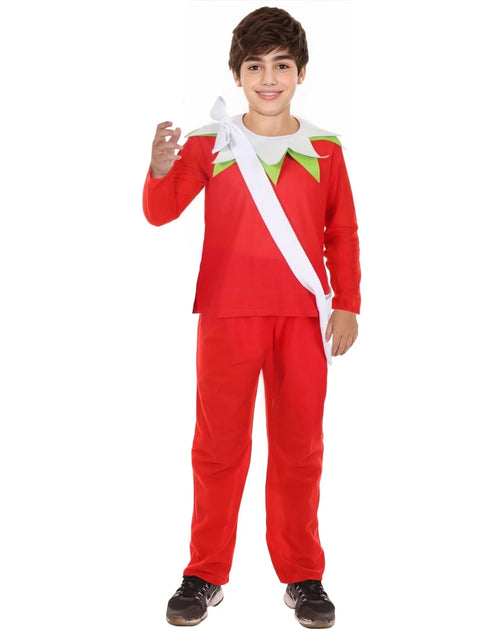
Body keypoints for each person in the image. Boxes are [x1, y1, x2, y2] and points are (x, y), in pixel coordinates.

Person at [143, 6, 361, 630]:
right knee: (217, 448)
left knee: (300, 450)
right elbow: (161, 212)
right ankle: (205, 572)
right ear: (236, 74)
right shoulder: (210, 142)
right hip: (227, 316)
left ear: (301, 73)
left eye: (282, 66)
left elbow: (342, 232)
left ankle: (303, 574)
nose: (269, 78)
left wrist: (348, 302)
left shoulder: (326, 149)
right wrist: (160, 169)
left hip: (302, 319)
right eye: (256, 66)